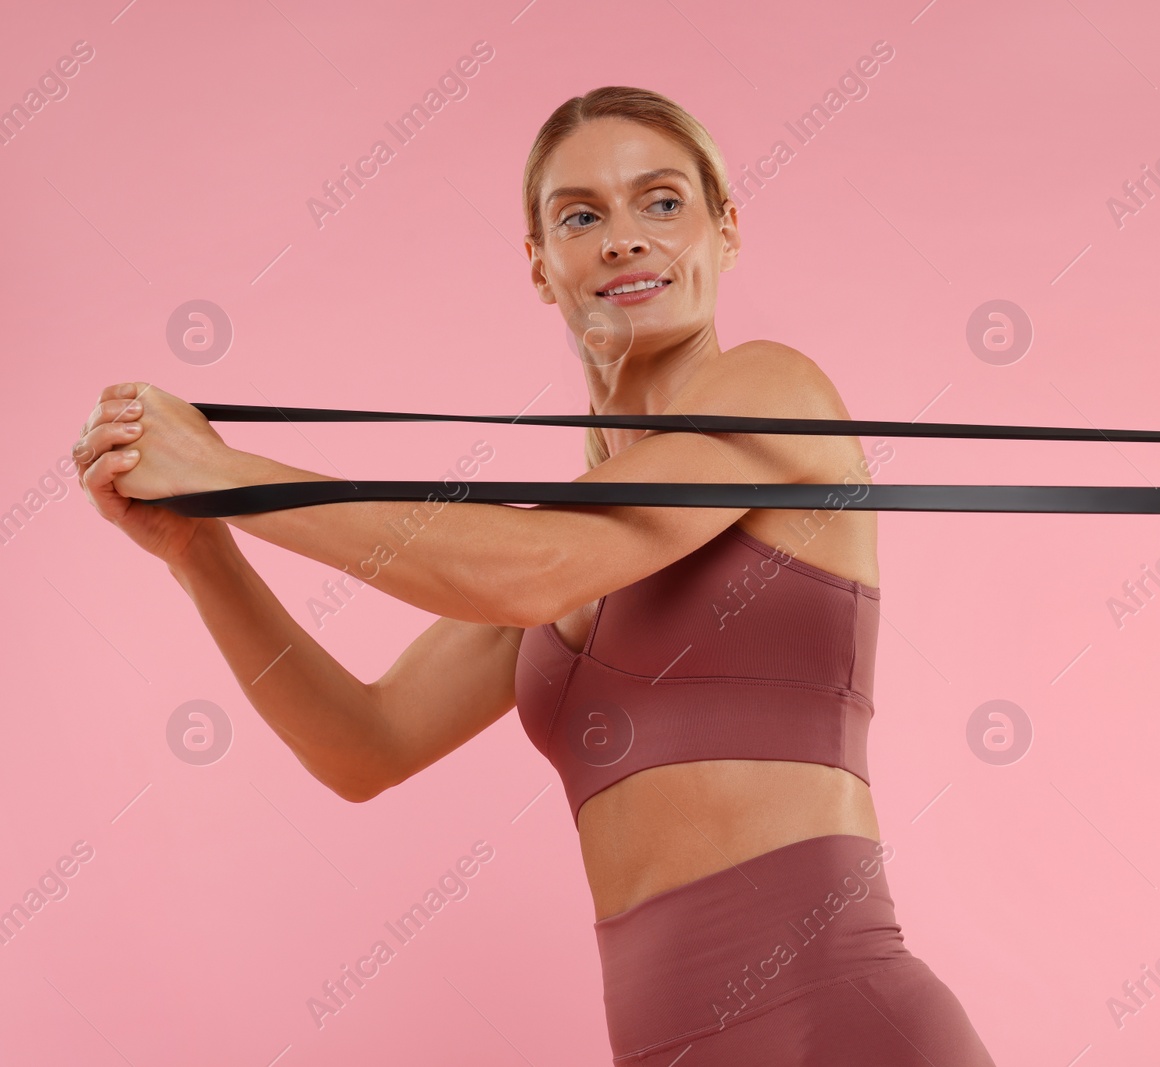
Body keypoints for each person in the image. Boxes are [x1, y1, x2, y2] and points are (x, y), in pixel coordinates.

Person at [72, 85, 996, 1065]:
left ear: (726, 231)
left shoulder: (773, 391)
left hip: (838, 1027)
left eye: (663, 201)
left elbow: (532, 570)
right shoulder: (558, 537)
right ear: (538, 262)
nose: (624, 238)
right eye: (581, 215)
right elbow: (364, 742)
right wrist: (201, 543)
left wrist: (229, 474)